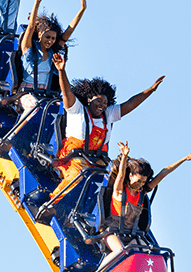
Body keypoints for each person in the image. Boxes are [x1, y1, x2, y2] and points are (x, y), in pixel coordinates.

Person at [44, 54, 165, 210]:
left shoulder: (108, 114)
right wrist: (62, 71)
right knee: (79, 175)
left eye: (105, 102)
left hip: (97, 160)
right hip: (73, 158)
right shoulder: (77, 110)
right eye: (99, 100)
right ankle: (52, 203)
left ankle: (112, 213)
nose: (102, 104)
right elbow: (66, 92)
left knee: (117, 179)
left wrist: (151, 90)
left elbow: (130, 104)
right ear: (89, 100)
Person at [97, 142, 191, 266]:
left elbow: (163, 173)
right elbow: (121, 174)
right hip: (111, 231)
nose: (140, 184)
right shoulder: (119, 190)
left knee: (150, 254)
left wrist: (183, 159)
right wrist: (124, 156)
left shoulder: (142, 192)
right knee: (119, 251)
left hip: (131, 233)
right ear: (131, 176)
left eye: (143, 182)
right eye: (138, 181)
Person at [11, 0, 87, 111]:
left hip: (47, 96)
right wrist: (36, 2)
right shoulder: (29, 49)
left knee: (66, 110)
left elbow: (69, 31)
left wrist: (82, 10)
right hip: (26, 95)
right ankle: (20, 127)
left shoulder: (53, 53)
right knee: (34, 107)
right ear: (40, 35)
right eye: (47, 37)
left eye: (53, 38)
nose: (50, 41)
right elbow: (30, 27)